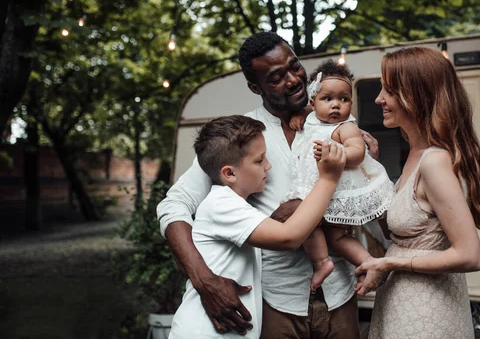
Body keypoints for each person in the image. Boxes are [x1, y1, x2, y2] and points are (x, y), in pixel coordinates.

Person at [157, 32, 371, 339]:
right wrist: (204, 280)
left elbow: (362, 193)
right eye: (276, 77)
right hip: (276, 301)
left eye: (295, 66)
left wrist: (366, 162)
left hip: (340, 291)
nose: (294, 80)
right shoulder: (242, 137)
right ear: (255, 87)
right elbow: (173, 204)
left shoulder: (337, 124)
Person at [353, 47, 480, 339]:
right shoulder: (417, 152)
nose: (379, 98)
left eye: (389, 91)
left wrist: (390, 263)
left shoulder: (434, 161)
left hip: (426, 312)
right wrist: (373, 171)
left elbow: (470, 255)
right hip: (406, 303)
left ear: (416, 96)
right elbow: (404, 234)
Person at [169, 115, 346, 338]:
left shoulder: (234, 204)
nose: (268, 165)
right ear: (230, 173)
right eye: (259, 160)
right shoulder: (221, 204)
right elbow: (289, 237)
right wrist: (328, 179)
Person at [285, 60, 393, 291]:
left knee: (338, 236)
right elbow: (305, 122)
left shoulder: (346, 127)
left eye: (344, 99)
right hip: (313, 191)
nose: (336, 105)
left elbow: (357, 152)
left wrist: (337, 151)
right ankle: (322, 262)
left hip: (339, 192)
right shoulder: (309, 120)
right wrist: (299, 118)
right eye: (328, 99)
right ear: (312, 103)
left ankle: (368, 262)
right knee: (307, 226)